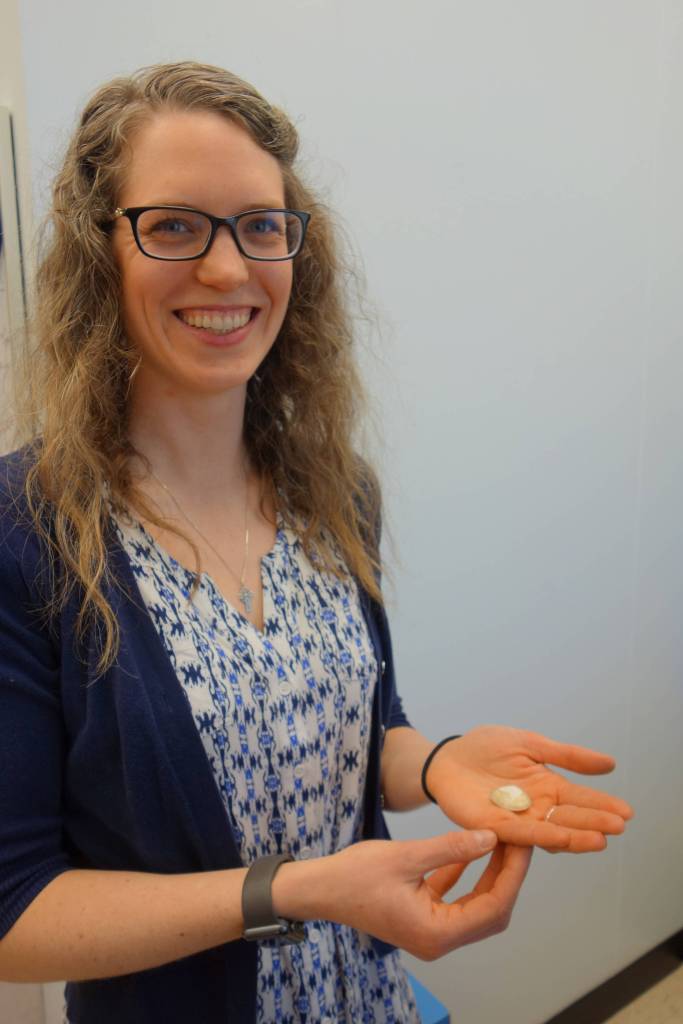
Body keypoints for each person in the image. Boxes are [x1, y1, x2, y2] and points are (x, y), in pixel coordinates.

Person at [0, 62, 632, 1024]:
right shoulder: (28, 532)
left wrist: (434, 764)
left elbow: (350, 731)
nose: (227, 269)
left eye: (260, 225)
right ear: (100, 253)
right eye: (174, 226)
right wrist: (291, 891)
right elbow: (15, 914)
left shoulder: (334, 495)